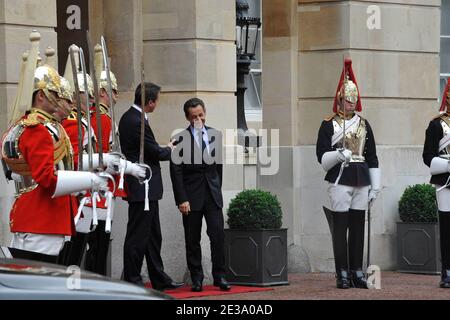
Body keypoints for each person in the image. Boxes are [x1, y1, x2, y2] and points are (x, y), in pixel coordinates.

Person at [316, 58, 380, 289]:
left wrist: (376, 185)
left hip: (361, 177)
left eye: (354, 99)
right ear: (340, 99)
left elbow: (372, 156)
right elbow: (322, 158)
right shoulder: (329, 125)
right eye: (347, 99)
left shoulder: (364, 124)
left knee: (358, 227)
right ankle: (341, 272)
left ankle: (356, 271)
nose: (351, 103)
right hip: (340, 177)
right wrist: (338, 155)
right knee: (340, 226)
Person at [118, 82, 183, 290]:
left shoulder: (136, 118)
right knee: (138, 236)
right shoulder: (135, 120)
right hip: (141, 186)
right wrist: (169, 149)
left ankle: (158, 277)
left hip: (146, 187)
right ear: (150, 102)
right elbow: (153, 152)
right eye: (156, 101)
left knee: (153, 236)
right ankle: (132, 279)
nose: (157, 105)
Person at [170, 97, 230, 292]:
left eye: (201, 115)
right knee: (192, 239)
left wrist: (217, 189)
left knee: (218, 236)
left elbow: (218, 168)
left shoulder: (216, 135)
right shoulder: (179, 139)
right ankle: (197, 278)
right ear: (188, 118)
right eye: (194, 116)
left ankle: (220, 276)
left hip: (212, 196)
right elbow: (176, 172)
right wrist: (181, 199)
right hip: (191, 198)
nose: (199, 120)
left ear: (205, 113)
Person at [423, 78, 450, 288]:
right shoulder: (436, 125)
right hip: (445, 179)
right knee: (447, 226)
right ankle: (447, 270)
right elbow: (428, 156)